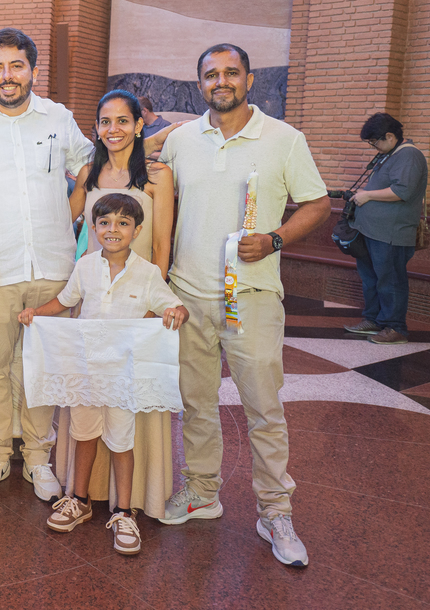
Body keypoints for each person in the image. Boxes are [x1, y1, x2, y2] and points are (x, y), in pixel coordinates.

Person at [158, 43, 329, 568]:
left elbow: (319, 204)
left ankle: (275, 511)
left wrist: (275, 240)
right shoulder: (182, 141)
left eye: (231, 73)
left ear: (249, 80)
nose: (221, 81)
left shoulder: (283, 139)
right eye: (211, 75)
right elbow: (139, 173)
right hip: (190, 296)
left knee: (263, 409)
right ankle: (203, 491)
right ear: (199, 84)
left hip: (250, 298)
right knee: (197, 405)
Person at [0, 27, 95, 501]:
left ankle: (36, 457)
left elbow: (89, 166)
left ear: (32, 69)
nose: (7, 77)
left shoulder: (58, 117)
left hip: (53, 264)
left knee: (41, 368)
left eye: (16, 66)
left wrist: (69, 214)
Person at [19, 193, 188, 553]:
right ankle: (79, 500)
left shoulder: (148, 273)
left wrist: (178, 313)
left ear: (137, 230)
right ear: (93, 228)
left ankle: (124, 512)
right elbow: (65, 301)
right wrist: (37, 313)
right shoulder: (84, 267)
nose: (113, 230)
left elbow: (171, 304)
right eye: (105, 223)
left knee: (121, 441)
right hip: (87, 372)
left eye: (123, 223)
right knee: (84, 435)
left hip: (122, 378)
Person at [65, 89, 176, 518]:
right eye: (105, 122)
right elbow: (65, 218)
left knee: (129, 408)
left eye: (123, 121)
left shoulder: (156, 175)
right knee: (89, 406)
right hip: (94, 302)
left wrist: (151, 309)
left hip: (137, 304)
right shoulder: (89, 172)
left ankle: (129, 504)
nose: (114, 129)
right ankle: (81, 494)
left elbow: (163, 242)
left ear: (139, 124)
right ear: (96, 127)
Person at [343, 113, 428, 345]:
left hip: (391, 234)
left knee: (390, 281)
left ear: (390, 136)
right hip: (372, 231)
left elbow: (403, 191)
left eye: (375, 142)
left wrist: (367, 195)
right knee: (371, 279)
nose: (374, 147)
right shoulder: (390, 154)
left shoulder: (409, 155)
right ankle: (374, 320)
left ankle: (395, 328)